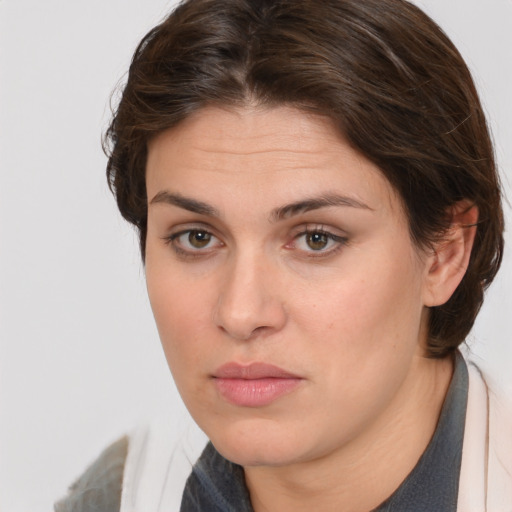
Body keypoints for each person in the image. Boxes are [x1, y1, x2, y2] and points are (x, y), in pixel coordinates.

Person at [55, 0, 511, 510]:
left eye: (317, 238)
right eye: (196, 237)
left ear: (445, 255)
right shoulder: (121, 494)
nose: (241, 313)